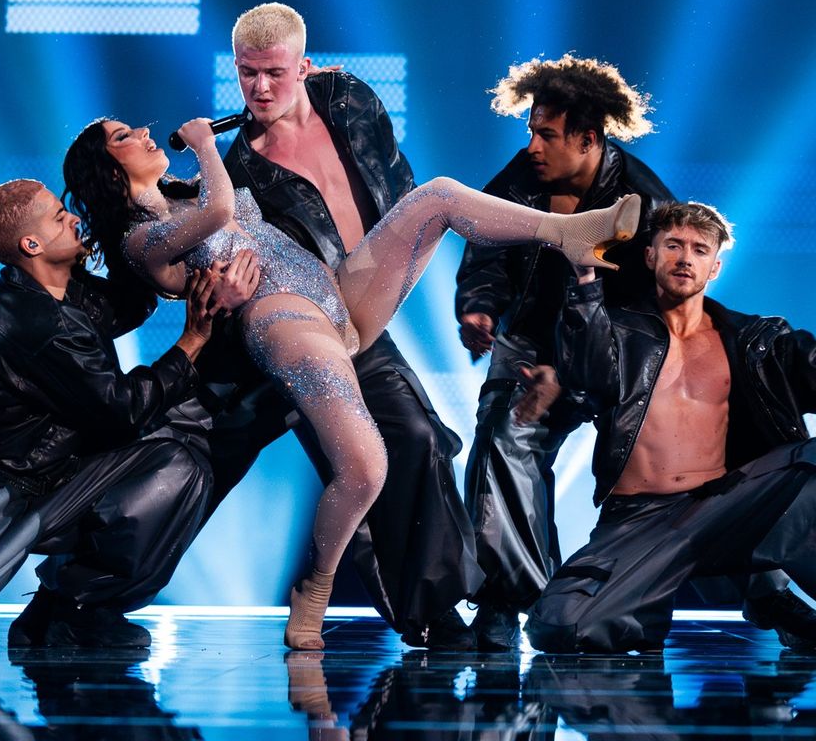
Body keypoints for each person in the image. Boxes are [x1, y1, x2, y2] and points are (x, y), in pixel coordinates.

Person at [62, 112, 641, 650]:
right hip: (280, 317)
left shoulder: (190, 190)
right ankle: (315, 588)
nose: (142, 131)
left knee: (436, 196)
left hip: (338, 297)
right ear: (109, 173)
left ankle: (567, 231)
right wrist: (208, 147)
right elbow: (217, 217)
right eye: (122, 137)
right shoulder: (141, 239)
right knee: (366, 465)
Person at [211, 2, 481, 650]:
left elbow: (394, 178)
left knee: (416, 436)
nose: (261, 89)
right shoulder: (238, 169)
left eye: (275, 72)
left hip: (363, 318)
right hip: (296, 340)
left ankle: (436, 610)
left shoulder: (348, 95)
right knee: (341, 466)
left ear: (303, 67)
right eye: (248, 74)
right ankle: (80, 595)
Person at [527, 201, 816, 654]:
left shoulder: (756, 340)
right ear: (650, 256)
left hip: (724, 507)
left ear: (714, 267)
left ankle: (768, 593)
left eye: (699, 250)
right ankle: (646, 604)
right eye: (674, 245)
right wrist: (584, 280)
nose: (685, 258)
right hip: (637, 519)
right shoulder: (616, 329)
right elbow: (587, 372)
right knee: (562, 628)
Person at [455, 53, 673, 649]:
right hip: (526, 337)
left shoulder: (644, 205)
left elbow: (647, 318)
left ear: (588, 140)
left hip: (616, 354)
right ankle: (508, 599)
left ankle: (767, 591)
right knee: (502, 438)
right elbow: (487, 240)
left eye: (546, 134)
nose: (533, 145)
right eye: (530, 130)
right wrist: (480, 305)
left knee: (680, 466)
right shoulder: (525, 177)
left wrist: (570, 372)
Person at [0, 178, 238, 648]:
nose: (72, 218)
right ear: (31, 243)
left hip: (57, 472)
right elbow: (122, 409)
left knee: (187, 428)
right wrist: (194, 338)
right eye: (59, 217)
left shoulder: (61, 291)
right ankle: (77, 610)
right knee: (178, 465)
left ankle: (57, 605)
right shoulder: (37, 323)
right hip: (28, 491)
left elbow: (130, 302)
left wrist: (127, 210)